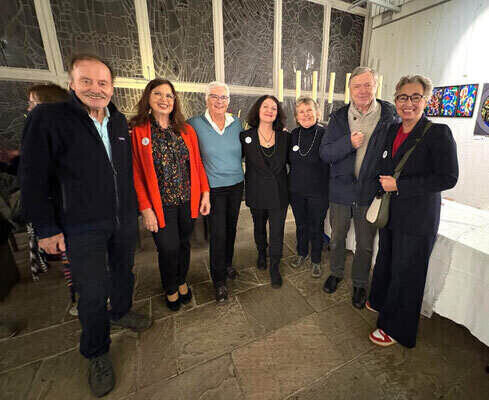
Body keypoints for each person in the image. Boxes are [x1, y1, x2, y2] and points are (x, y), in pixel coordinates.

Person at [20, 54, 152, 398]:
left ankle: (120, 311)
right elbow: (32, 176)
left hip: (121, 220)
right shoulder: (49, 118)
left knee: (124, 274)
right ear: (72, 84)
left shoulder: (118, 121)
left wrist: (135, 212)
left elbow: (124, 173)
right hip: (81, 226)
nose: (96, 89)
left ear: (112, 87)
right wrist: (46, 228)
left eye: (103, 82)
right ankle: (96, 352)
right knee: (92, 293)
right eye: (87, 81)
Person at [367, 75, 458, 348]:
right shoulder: (393, 129)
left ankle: (397, 329)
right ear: (395, 100)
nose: (408, 103)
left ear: (426, 100)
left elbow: (448, 177)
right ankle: (381, 301)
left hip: (418, 218)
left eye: (415, 97)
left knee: (407, 273)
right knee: (387, 260)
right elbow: (386, 162)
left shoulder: (438, 133)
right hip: (391, 212)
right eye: (402, 97)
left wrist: (400, 185)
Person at [319, 66, 397, 309]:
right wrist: (348, 144)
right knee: (337, 238)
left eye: (367, 85)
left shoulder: (389, 116)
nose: (362, 90)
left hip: (370, 193)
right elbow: (325, 153)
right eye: (357, 86)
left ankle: (360, 283)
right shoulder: (338, 117)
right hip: (341, 192)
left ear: (376, 86)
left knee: (365, 244)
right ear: (350, 89)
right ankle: (336, 272)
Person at [130, 79, 210, 311]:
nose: (164, 99)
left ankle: (182, 280)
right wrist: (145, 209)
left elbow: (197, 165)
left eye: (169, 96)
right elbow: (136, 173)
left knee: (184, 244)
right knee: (168, 248)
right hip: (160, 205)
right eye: (158, 94)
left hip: (187, 200)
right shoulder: (139, 131)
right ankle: (170, 287)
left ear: (175, 101)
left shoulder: (185, 130)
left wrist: (205, 193)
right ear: (148, 97)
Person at [187, 82, 244, 303]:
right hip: (213, 189)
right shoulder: (194, 124)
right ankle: (219, 280)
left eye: (223, 97)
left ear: (229, 101)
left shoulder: (236, 123)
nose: (219, 101)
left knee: (230, 229)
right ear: (206, 99)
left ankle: (227, 264)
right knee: (218, 234)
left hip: (236, 185)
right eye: (214, 96)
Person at [241, 95, 289, 288]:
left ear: (278, 113)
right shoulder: (245, 137)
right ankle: (262, 252)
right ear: (258, 110)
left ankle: (275, 266)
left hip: (279, 193)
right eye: (265, 107)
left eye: (274, 108)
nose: (270, 111)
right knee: (259, 227)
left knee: (277, 231)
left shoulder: (285, 137)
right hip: (257, 192)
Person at [288, 97, 329, 278]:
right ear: (296, 117)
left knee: (316, 226)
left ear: (317, 113)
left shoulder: (325, 134)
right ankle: (301, 253)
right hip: (296, 191)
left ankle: (316, 260)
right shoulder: (293, 134)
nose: (305, 115)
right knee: (300, 225)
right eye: (301, 112)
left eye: (309, 110)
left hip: (318, 192)